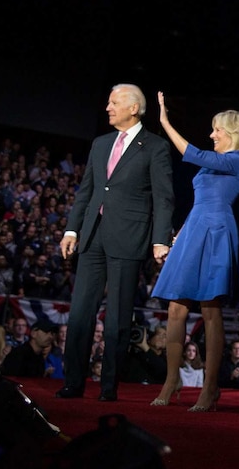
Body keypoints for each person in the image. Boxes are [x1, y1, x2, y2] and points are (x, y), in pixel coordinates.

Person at [56, 83, 175, 402]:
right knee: (80, 312)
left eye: (114, 102)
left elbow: (163, 197)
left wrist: (160, 239)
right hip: (92, 236)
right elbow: (87, 191)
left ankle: (109, 386)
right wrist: (71, 230)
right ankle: (73, 382)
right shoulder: (100, 143)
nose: (107, 107)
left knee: (118, 319)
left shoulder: (154, 147)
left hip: (129, 237)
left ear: (134, 108)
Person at [149, 93, 239, 412]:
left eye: (217, 130)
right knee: (175, 310)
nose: (212, 135)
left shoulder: (238, 161)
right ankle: (172, 380)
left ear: (233, 132)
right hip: (193, 230)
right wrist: (177, 238)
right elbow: (198, 202)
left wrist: (166, 123)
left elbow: (193, 154)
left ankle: (210, 388)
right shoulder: (216, 161)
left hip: (216, 233)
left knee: (211, 312)